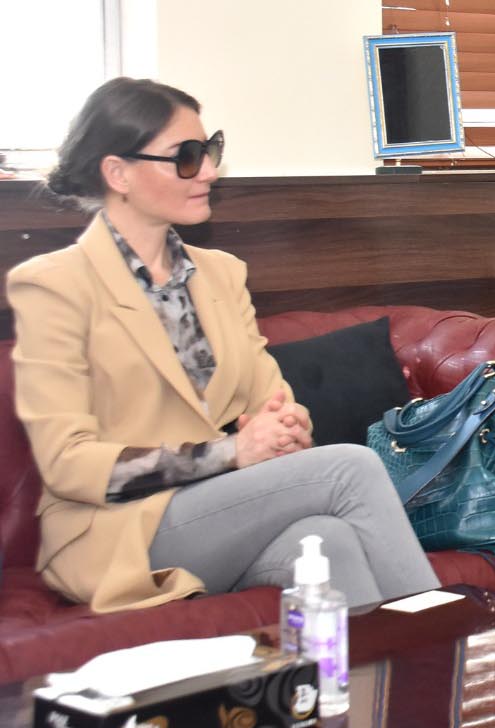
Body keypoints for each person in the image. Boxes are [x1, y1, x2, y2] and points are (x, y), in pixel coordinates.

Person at [7, 77, 439, 612]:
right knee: (350, 468)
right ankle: (448, 643)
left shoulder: (222, 273)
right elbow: (67, 465)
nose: (209, 170)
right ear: (118, 173)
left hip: (218, 510)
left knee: (329, 542)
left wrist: (287, 428)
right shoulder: (53, 285)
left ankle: (381, 667)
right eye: (187, 157)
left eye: (210, 149)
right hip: (118, 531)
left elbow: (272, 400)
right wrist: (231, 451)